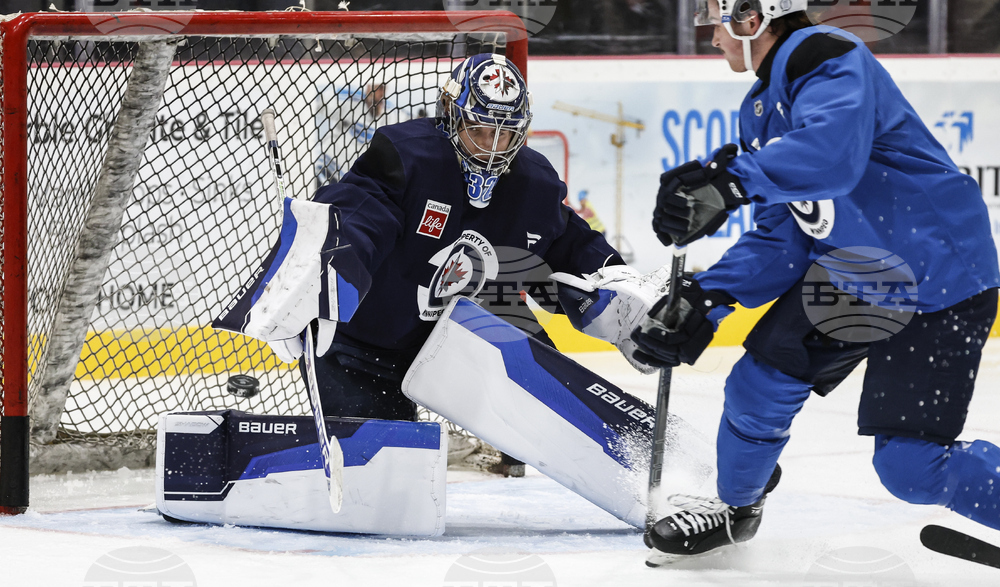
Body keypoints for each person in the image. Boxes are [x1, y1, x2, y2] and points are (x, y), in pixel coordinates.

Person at [632, 0, 1000, 558]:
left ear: (751, 18)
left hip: (939, 279)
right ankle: (736, 511)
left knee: (909, 470)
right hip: (860, 274)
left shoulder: (826, 55)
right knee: (757, 384)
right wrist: (711, 294)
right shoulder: (759, 110)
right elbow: (786, 236)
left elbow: (832, 158)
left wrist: (731, 182)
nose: (710, 38)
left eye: (715, 23)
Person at [215, 54, 663, 474]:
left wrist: (618, 288)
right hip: (365, 344)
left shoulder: (532, 182)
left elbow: (568, 243)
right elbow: (358, 215)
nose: (492, 147)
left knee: (545, 380)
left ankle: (564, 448)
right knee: (385, 465)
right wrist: (324, 269)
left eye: (506, 134)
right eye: (480, 130)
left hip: (462, 336)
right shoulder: (407, 157)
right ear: (451, 116)